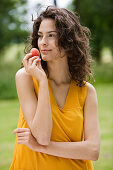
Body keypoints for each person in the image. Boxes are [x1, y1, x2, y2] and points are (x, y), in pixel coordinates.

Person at [10, 6, 100, 170]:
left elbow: (93, 150)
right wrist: (43, 82)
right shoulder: (26, 78)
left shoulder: (87, 92)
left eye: (51, 35)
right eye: (40, 35)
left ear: (69, 40)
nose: (43, 42)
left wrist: (39, 147)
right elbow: (42, 135)